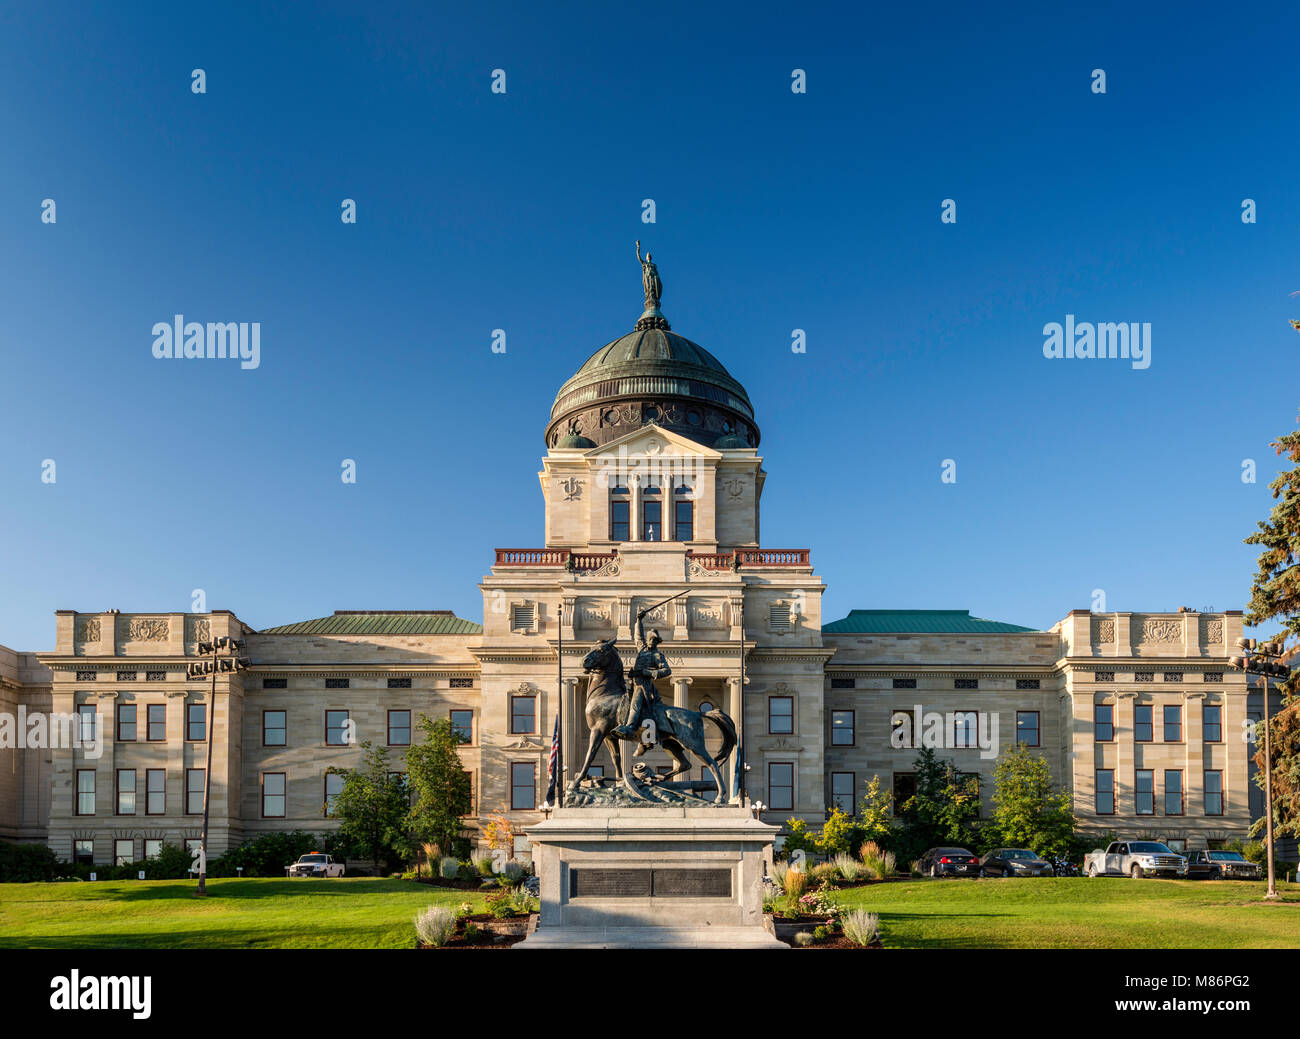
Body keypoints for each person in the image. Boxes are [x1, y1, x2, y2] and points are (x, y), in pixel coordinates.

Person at [614, 608, 671, 752]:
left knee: (636, 703)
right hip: (632, 682)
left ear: (657, 642)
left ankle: (630, 727)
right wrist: (639, 620)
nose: (652, 642)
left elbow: (667, 671)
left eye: (654, 640)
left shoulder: (657, 656)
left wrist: (647, 672)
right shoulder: (642, 649)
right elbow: (638, 636)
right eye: (651, 639)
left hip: (644, 685)